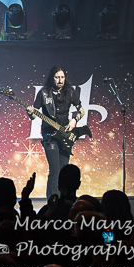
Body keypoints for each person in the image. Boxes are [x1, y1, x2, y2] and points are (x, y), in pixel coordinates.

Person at [26, 65, 86, 198]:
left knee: (64, 170)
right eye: (57, 77)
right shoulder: (44, 93)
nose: (60, 80)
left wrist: (74, 120)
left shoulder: (70, 92)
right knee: (55, 170)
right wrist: (29, 112)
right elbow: (34, 115)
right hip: (50, 136)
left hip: (65, 135)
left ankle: (64, 200)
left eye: (62, 77)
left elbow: (81, 110)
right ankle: (52, 201)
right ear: (52, 78)